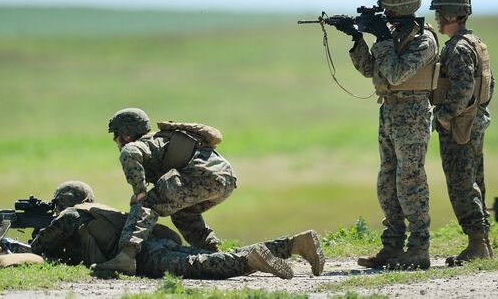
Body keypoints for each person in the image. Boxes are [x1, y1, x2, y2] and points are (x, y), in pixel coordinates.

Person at [333, 0, 439, 269]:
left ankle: (419, 249)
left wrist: (381, 39)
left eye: (386, 10)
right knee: (387, 182)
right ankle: (392, 247)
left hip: (413, 115)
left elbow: (396, 73)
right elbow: (371, 70)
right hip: (390, 113)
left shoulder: (423, 40)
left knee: (410, 181)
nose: (384, 15)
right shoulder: (393, 35)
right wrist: (357, 40)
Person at [32, 181, 325, 279]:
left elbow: (41, 247)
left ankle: (250, 262)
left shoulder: (73, 214)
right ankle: (294, 244)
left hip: (145, 254)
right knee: (200, 258)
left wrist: (34, 240)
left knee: (200, 266)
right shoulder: (101, 212)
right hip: (155, 242)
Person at [92, 108, 237, 274]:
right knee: (182, 213)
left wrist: (139, 191)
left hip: (199, 176)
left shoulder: (142, 144)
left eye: (116, 134)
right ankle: (212, 251)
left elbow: (129, 153)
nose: (114, 140)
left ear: (127, 134)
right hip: (226, 180)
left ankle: (126, 256)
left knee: (146, 204)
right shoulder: (160, 139)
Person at [429, 0, 494, 266]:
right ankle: (482, 242)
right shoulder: (476, 42)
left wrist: (443, 114)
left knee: (461, 185)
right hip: (476, 120)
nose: (437, 20)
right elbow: (488, 85)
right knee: (475, 181)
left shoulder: (457, 48)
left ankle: (477, 244)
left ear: (451, 15)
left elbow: (464, 87)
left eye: (440, 14)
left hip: (460, 125)